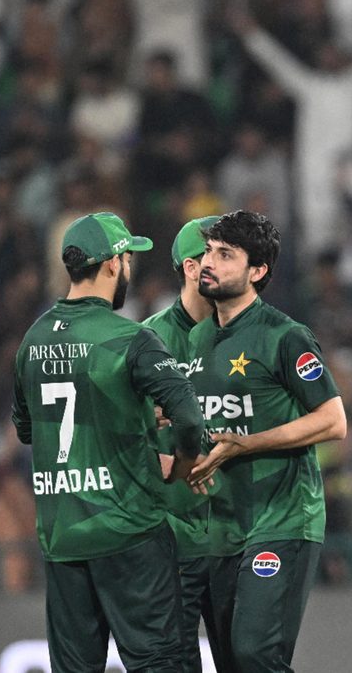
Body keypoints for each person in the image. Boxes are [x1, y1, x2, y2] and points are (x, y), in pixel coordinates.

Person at [11, 212, 206, 672]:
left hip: (64, 537)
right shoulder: (130, 339)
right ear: (114, 263)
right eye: (129, 258)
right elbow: (191, 421)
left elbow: (28, 429)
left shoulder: (31, 340)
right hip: (129, 530)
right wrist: (175, 467)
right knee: (160, 662)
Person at [183, 210, 347, 671]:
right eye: (209, 251)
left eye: (226, 255)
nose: (209, 263)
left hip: (282, 517)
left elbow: (333, 420)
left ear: (257, 272)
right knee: (234, 663)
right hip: (221, 526)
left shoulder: (285, 336)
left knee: (257, 654)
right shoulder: (196, 340)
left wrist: (247, 444)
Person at [141, 215, 235, 672]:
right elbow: (108, 432)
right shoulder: (147, 340)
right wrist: (151, 458)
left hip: (234, 536)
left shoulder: (250, 333)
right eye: (219, 256)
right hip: (173, 538)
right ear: (191, 268)